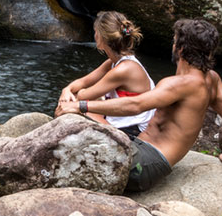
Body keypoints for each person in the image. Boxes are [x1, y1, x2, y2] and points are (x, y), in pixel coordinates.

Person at [55, 18, 222, 192]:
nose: (173, 45)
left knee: (71, 131)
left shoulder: (178, 84)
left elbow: (136, 105)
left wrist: (81, 106)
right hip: (148, 158)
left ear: (180, 48)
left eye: (174, 41)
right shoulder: (212, 79)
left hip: (143, 164)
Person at [59, 11, 155, 139]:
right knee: (69, 104)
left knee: (66, 108)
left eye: (95, 32)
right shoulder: (114, 62)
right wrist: (67, 90)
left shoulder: (125, 69)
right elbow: (82, 82)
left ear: (102, 37)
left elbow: (83, 95)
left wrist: (74, 93)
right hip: (122, 123)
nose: (94, 35)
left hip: (133, 132)